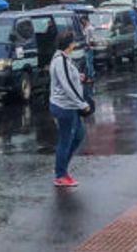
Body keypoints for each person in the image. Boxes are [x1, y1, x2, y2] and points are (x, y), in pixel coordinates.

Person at [48, 30, 90, 187]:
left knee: (78, 136)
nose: (74, 44)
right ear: (69, 44)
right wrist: (82, 104)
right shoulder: (61, 61)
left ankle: (62, 166)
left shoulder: (64, 59)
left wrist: (78, 76)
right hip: (64, 107)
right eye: (73, 42)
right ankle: (60, 174)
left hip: (69, 106)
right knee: (65, 140)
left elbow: (68, 78)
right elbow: (67, 86)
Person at [79, 15, 96, 83]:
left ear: (86, 20)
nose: (82, 22)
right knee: (86, 63)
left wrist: (89, 46)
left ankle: (90, 77)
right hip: (85, 46)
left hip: (89, 47)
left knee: (89, 63)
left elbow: (92, 38)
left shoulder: (90, 28)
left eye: (83, 20)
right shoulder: (84, 27)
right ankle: (87, 76)